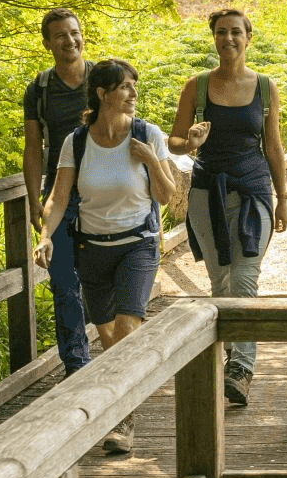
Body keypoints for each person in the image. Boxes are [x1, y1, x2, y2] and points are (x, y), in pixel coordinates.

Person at [33, 59, 183, 454]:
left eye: (135, 86)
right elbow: (59, 196)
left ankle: (123, 420)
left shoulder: (147, 134)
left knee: (128, 326)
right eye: (125, 87)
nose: (133, 94)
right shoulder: (76, 142)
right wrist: (46, 236)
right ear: (102, 94)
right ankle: (124, 408)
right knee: (109, 338)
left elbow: (168, 197)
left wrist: (151, 159)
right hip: (92, 248)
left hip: (138, 243)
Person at [170, 8, 287, 409]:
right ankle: (230, 359)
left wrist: (283, 196)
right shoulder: (197, 87)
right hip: (207, 194)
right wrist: (189, 141)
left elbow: (272, 145)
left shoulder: (265, 87)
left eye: (236, 32)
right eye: (221, 33)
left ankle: (242, 368)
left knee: (244, 276)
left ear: (248, 37)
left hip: (253, 189)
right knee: (220, 281)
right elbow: (172, 141)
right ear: (214, 38)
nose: (228, 39)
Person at [19, 8, 96, 371]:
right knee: (63, 280)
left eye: (75, 32)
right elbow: (33, 147)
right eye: (61, 35)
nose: (70, 41)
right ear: (47, 42)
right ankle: (76, 365)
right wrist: (34, 198)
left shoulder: (103, 78)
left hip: (103, 191)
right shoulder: (39, 88)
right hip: (59, 195)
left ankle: (112, 354)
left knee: (99, 278)